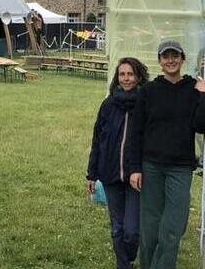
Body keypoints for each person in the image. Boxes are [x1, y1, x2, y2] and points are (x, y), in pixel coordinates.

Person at [126, 40, 205, 269]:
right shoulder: (148, 91)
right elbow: (136, 132)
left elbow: (202, 126)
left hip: (180, 167)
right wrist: (135, 167)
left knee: (173, 228)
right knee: (150, 227)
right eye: (166, 57)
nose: (171, 61)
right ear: (160, 61)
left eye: (175, 56)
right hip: (151, 165)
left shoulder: (194, 89)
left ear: (183, 59)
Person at [86, 57, 149, 269]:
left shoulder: (145, 103)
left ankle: (129, 257)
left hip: (135, 176)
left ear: (138, 76)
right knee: (117, 228)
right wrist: (91, 173)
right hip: (110, 173)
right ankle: (123, 265)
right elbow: (97, 139)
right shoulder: (108, 104)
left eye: (130, 74)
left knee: (131, 231)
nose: (126, 78)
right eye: (122, 74)